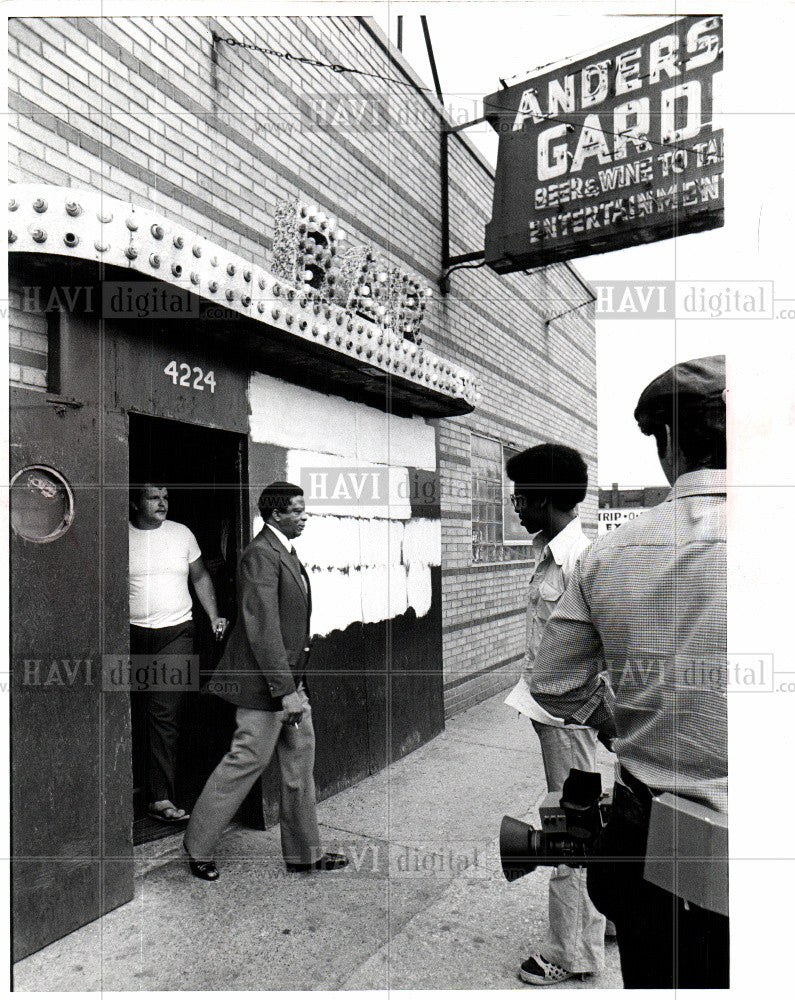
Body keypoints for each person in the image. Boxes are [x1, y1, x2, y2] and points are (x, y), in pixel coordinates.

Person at [529, 356, 728, 989]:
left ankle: (576, 947)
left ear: (667, 442)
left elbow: (554, 683)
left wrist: (619, 721)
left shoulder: (604, 557)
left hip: (663, 836)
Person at [183, 481, 349, 881]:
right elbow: (262, 629)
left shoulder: (284, 551)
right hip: (268, 688)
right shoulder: (260, 554)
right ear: (276, 514)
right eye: (297, 509)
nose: (304, 515)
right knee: (245, 761)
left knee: (298, 768)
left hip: (292, 682)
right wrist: (286, 692)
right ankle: (198, 846)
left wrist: (295, 687)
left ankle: (304, 854)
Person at [503, 444, 607, 986]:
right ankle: (601, 917)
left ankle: (572, 953)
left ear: (546, 498)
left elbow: (597, 653)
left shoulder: (579, 562)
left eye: (521, 498)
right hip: (555, 716)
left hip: (568, 719)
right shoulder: (550, 551)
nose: (516, 507)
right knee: (580, 820)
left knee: (569, 831)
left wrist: (590, 712)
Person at [129, 483, 229, 824]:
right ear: (134, 502)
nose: (162, 503)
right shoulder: (119, 535)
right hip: (130, 635)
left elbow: (200, 577)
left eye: (166, 497)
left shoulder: (182, 534)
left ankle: (160, 797)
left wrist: (214, 615)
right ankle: (130, 786)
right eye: (153, 497)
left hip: (176, 632)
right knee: (129, 708)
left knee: (164, 713)